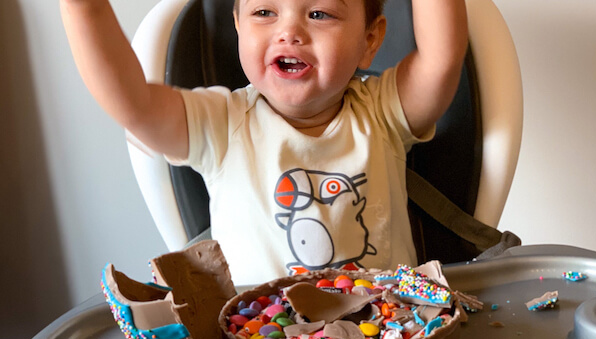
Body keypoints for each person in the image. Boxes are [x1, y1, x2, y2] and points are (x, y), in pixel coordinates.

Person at [61, 0, 468, 286]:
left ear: (370, 39)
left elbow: (441, 58)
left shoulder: (382, 113)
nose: (289, 31)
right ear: (238, 24)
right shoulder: (221, 124)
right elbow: (135, 105)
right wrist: (85, 8)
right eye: (264, 13)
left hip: (392, 338)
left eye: (319, 13)